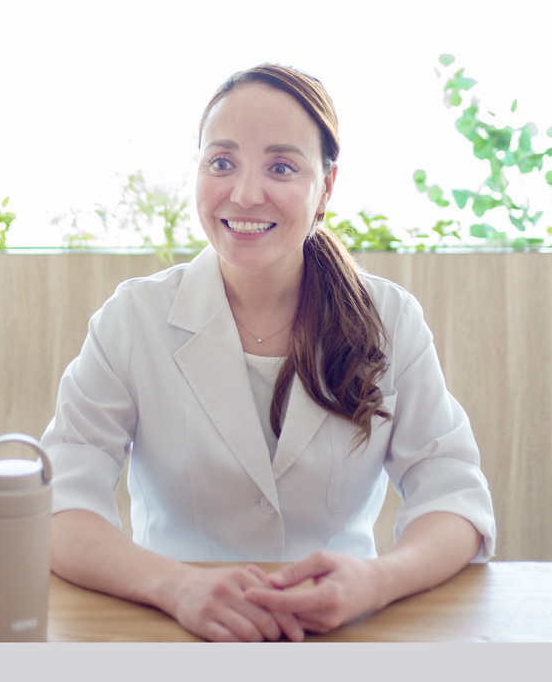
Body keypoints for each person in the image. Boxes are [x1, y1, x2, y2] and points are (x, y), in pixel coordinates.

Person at [40, 63, 496, 642]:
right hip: (173, 629)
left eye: (281, 167)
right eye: (221, 163)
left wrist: (377, 582)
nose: (245, 194)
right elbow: (58, 503)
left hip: (341, 632)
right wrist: (174, 586)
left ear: (326, 187)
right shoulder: (133, 319)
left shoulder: (389, 319)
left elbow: (453, 496)